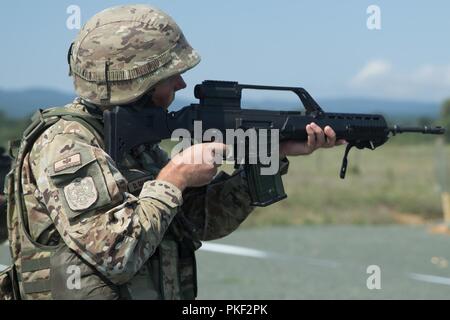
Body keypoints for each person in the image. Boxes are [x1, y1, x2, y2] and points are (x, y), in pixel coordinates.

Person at [5, 4, 344, 300]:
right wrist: (174, 178)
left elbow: (198, 223)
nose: (181, 84)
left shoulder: (138, 145)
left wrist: (271, 153)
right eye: (170, 74)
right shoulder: (67, 144)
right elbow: (115, 255)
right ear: (135, 82)